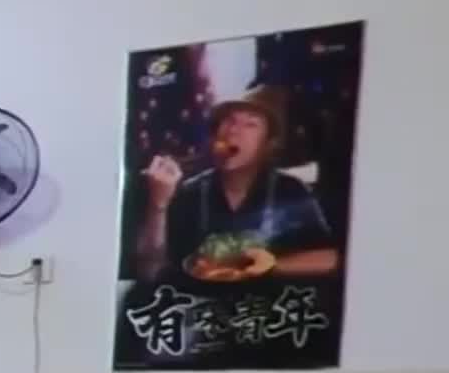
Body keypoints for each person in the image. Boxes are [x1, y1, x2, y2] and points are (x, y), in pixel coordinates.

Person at [134, 85, 340, 280]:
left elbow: (329, 259)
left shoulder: (290, 190)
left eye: (251, 124)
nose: (233, 130)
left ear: (268, 144)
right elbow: (150, 270)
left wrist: (270, 266)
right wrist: (158, 205)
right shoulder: (191, 192)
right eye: (229, 121)